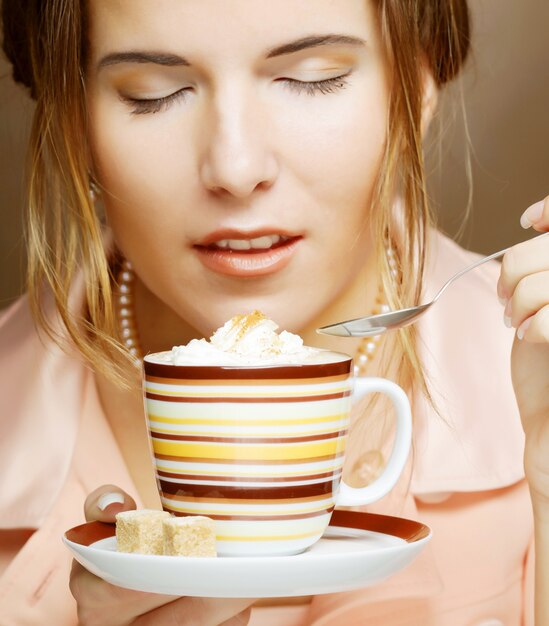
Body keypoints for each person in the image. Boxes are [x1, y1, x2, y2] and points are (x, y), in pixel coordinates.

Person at [0, 0, 547, 624]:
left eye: (312, 78)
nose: (235, 169)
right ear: (75, 122)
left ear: (414, 91)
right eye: (153, 93)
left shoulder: (530, 378)